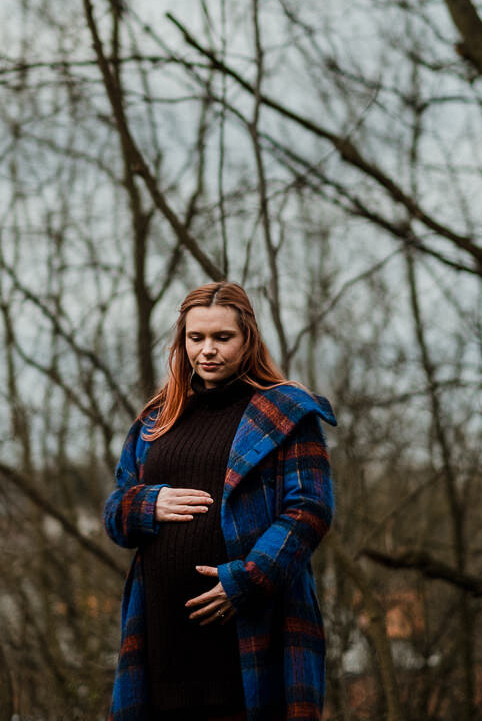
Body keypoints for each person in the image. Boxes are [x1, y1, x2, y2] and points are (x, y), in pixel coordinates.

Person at [104, 282, 336, 721]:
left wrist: (245, 581)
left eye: (221, 338)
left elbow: (309, 509)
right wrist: (146, 505)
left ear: (247, 338)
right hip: (160, 646)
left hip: (251, 637)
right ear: (183, 340)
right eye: (196, 338)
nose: (207, 350)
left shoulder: (284, 413)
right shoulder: (158, 419)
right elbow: (116, 513)